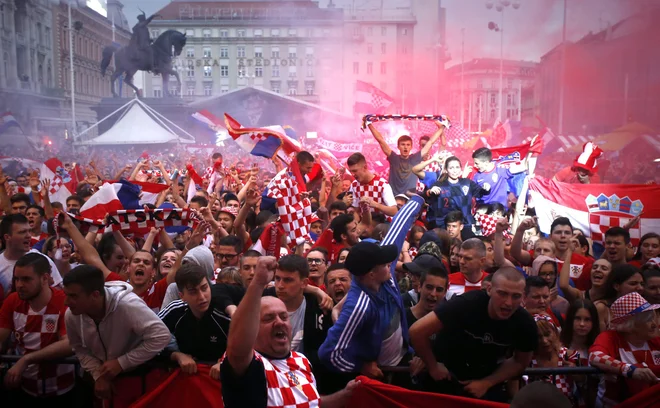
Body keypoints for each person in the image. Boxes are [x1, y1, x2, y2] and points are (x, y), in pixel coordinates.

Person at [219, 256, 359, 407]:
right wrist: (258, 283)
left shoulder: (301, 360)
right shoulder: (250, 364)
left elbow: (310, 403)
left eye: (284, 317)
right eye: (268, 318)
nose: (279, 322)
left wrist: (345, 394)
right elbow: (238, 344)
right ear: (254, 326)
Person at [319, 195, 423, 380]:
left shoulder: (383, 274)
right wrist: (360, 367)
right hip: (381, 376)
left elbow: (399, 225)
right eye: (384, 264)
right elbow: (329, 354)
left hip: (403, 358)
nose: (391, 264)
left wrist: (418, 199)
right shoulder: (358, 306)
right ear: (371, 274)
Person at [409, 267, 538, 401]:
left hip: (484, 386)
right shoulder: (466, 304)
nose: (508, 303)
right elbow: (417, 331)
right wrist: (433, 365)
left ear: (523, 296)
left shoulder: (525, 323)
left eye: (515, 296)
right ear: (489, 289)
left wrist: (487, 382)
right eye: (502, 294)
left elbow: (520, 362)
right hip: (444, 380)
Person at [63, 265, 171, 402]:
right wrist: (99, 375)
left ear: (95, 295)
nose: (66, 302)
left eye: (73, 296)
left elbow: (161, 336)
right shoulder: (72, 314)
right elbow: (78, 348)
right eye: (66, 294)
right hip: (106, 385)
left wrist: (122, 363)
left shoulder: (127, 305)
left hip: (140, 379)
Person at [0, 253, 74, 404]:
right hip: (23, 389)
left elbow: (69, 344)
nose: (19, 284)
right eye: (16, 279)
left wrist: (26, 360)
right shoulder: (12, 301)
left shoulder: (64, 302)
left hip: (63, 393)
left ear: (45, 278)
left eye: (26, 279)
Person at [158, 263, 231, 380]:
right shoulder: (175, 310)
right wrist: (176, 356)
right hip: (185, 382)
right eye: (193, 292)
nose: (202, 297)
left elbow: (251, 346)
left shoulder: (225, 312)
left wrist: (227, 361)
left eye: (204, 288)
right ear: (182, 296)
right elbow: (147, 338)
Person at [589, 292, 660, 407]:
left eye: (653, 318)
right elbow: (595, 356)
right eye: (648, 319)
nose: (654, 324)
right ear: (630, 325)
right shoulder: (611, 338)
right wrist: (630, 370)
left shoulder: (654, 339)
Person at [367, 119, 445, 195]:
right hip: (394, 198)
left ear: (411, 147)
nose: (405, 147)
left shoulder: (415, 158)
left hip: (410, 198)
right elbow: (381, 140)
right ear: (398, 146)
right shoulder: (393, 158)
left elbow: (430, 142)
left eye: (408, 145)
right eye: (403, 145)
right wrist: (369, 124)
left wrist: (442, 127)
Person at [414, 155, 489, 230]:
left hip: (465, 225)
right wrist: (430, 192)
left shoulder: (467, 183)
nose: (455, 170)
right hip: (443, 226)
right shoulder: (439, 185)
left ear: (460, 169)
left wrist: (486, 189)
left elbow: (481, 193)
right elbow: (424, 196)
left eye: (457, 167)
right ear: (446, 170)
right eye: (451, 168)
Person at [0, 214, 63, 295]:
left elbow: (58, 291)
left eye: (29, 231)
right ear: (7, 237)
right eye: (22, 232)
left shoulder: (42, 259)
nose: (29, 236)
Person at [346, 152, 397, 217]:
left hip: (382, 223)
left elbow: (394, 211)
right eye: (351, 171)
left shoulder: (382, 184)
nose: (352, 174)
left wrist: (376, 205)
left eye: (355, 171)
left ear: (365, 167)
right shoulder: (354, 185)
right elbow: (356, 209)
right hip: (364, 224)